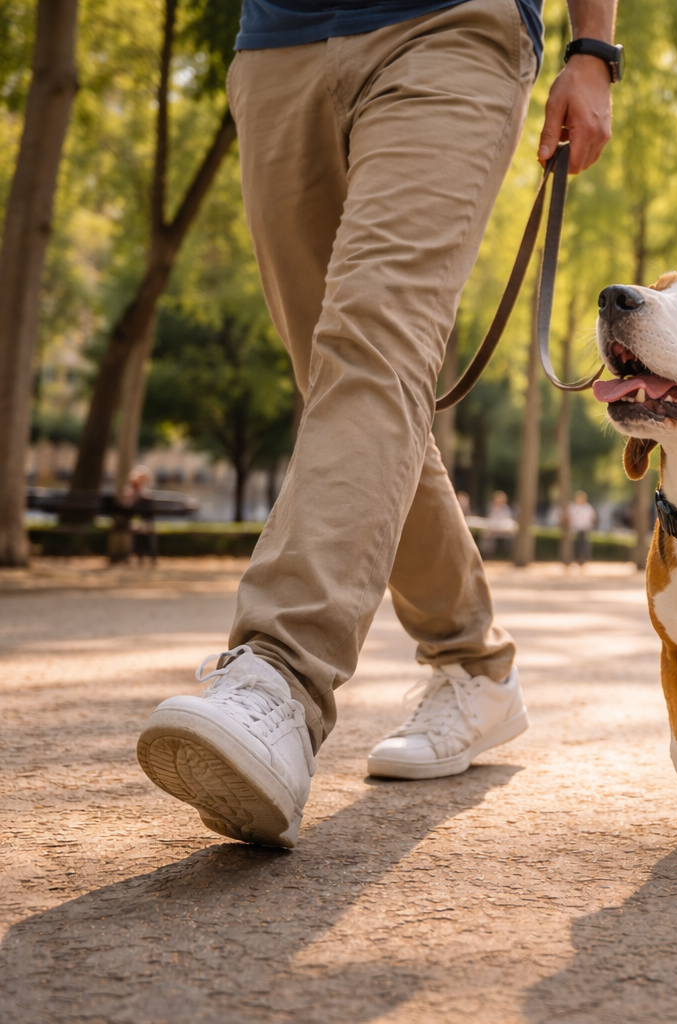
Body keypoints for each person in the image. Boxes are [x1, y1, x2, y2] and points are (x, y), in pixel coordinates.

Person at [134, 0, 621, 849]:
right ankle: (475, 665)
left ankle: (280, 676)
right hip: (276, 44)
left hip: (451, 28)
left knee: (373, 347)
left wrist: (595, 49)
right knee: (346, 387)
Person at [484, 489, 516, 559]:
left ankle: (509, 553)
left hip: (504, 529)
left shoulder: (506, 509)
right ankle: (487, 553)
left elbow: (507, 520)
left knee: (512, 535)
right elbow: (490, 519)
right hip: (493, 529)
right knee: (486, 534)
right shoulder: (491, 507)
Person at [567, 490, 596, 565]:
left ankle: (584, 557)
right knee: (577, 543)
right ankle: (577, 557)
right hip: (576, 528)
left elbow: (592, 517)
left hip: (584, 528)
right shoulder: (573, 507)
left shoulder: (587, 507)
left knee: (584, 543)